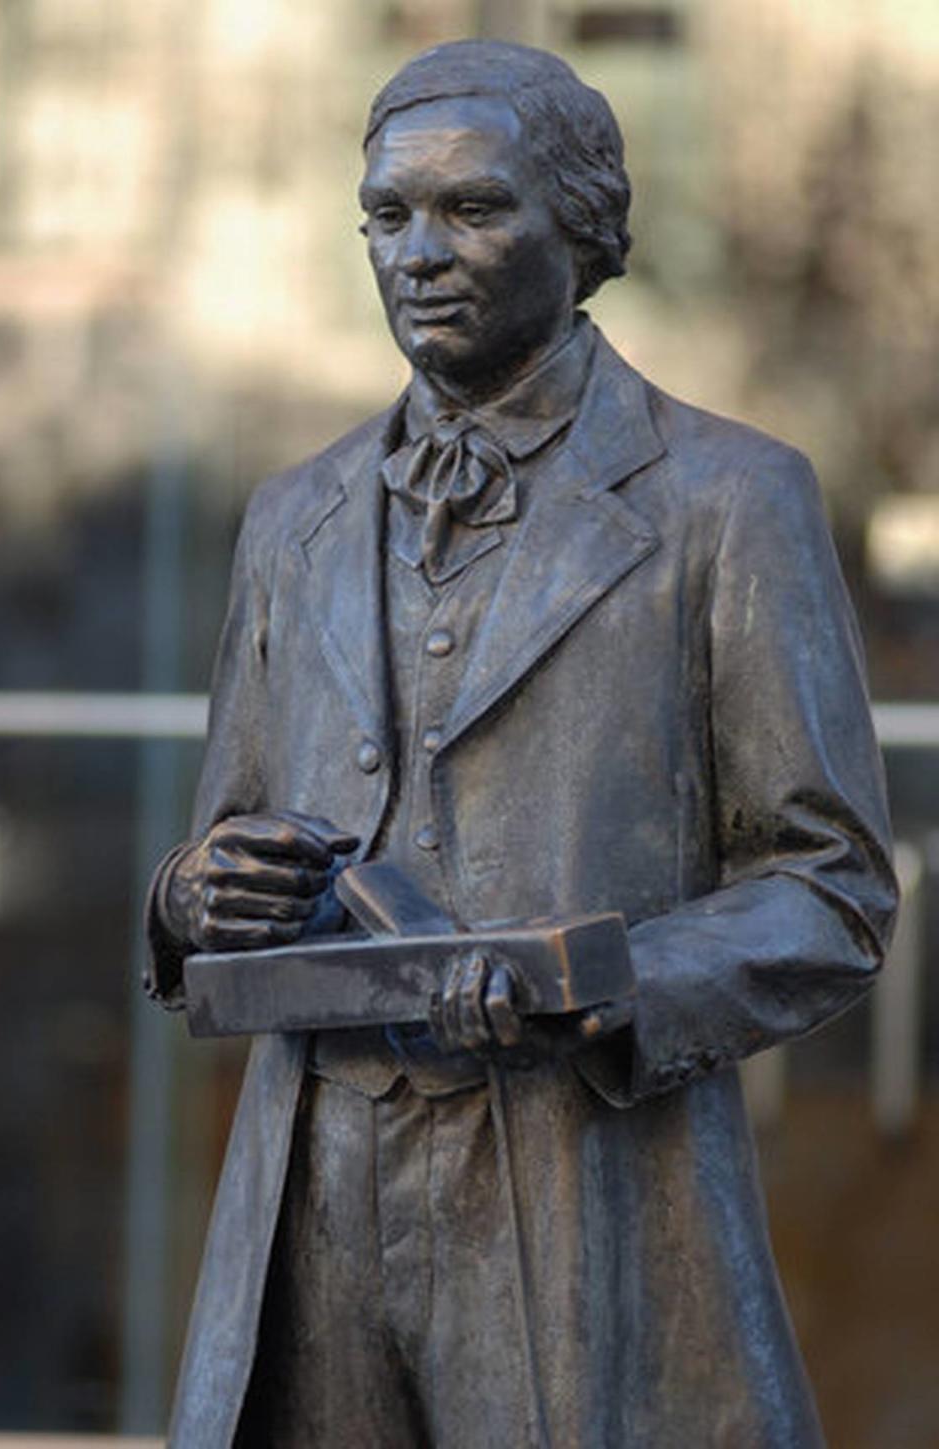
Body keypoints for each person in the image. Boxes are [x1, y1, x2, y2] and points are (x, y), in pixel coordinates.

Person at [145, 39, 897, 1449]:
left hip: (580, 1175)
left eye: (474, 210)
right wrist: (192, 894)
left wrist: (594, 974)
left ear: (584, 229)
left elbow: (834, 886)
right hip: (314, 1186)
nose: (420, 253)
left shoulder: (728, 499)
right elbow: (229, 836)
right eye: (388, 216)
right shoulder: (291, 520)